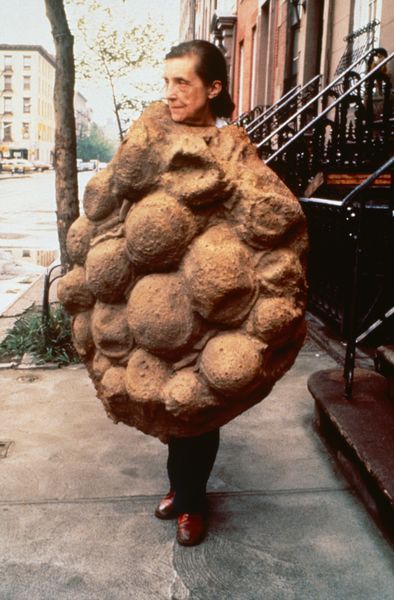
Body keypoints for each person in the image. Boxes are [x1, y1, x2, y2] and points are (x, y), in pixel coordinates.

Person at [154, 40, 235, 547]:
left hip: (211, 299)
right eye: (166, 82)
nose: (171, 93)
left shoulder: (231, 147)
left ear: (213, 87)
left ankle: (192, 502)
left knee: (198, 408)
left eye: (182, 82)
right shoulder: (157, 136)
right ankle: (179, 486)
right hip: (161, 296)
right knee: (167, 403)